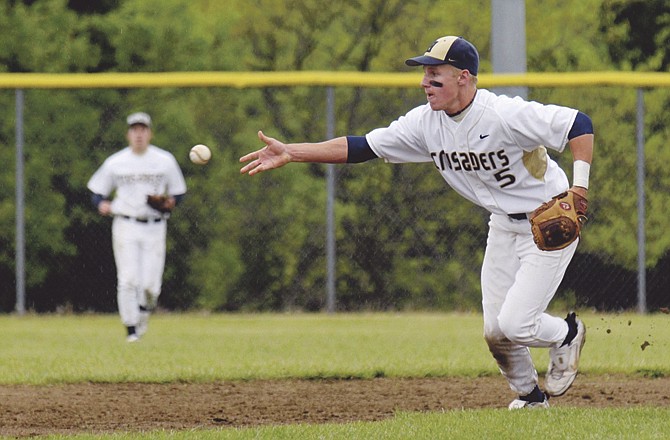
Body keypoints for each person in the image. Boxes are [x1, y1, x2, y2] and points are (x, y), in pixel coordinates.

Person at [239, 36, 593, 409]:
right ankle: (531, 399)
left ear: (464, 77)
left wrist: (579, 190)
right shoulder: (426, 124)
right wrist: (292, 152)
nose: (425, 82)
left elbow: (578, 124)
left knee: (517, 325)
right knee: (495, 333)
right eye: (425, 73)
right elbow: (364, 147)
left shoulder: (503, 114)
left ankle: (567, 333)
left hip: (550, 222)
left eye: (435, 74)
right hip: (503, 225)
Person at [88, 112, 187, 342]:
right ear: (128, 134)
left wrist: (170, 202)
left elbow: (178, 193)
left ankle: (143, 312)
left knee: (151, 286)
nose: (139, 134)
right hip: (125, 224)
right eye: (135, 129)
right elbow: (97, 191)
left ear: (150, 133)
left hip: (154, 225)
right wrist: (101, 203)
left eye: (143, 129)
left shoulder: (164, 160)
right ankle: (131, 331)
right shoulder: (116, 162)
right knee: (128, 279)